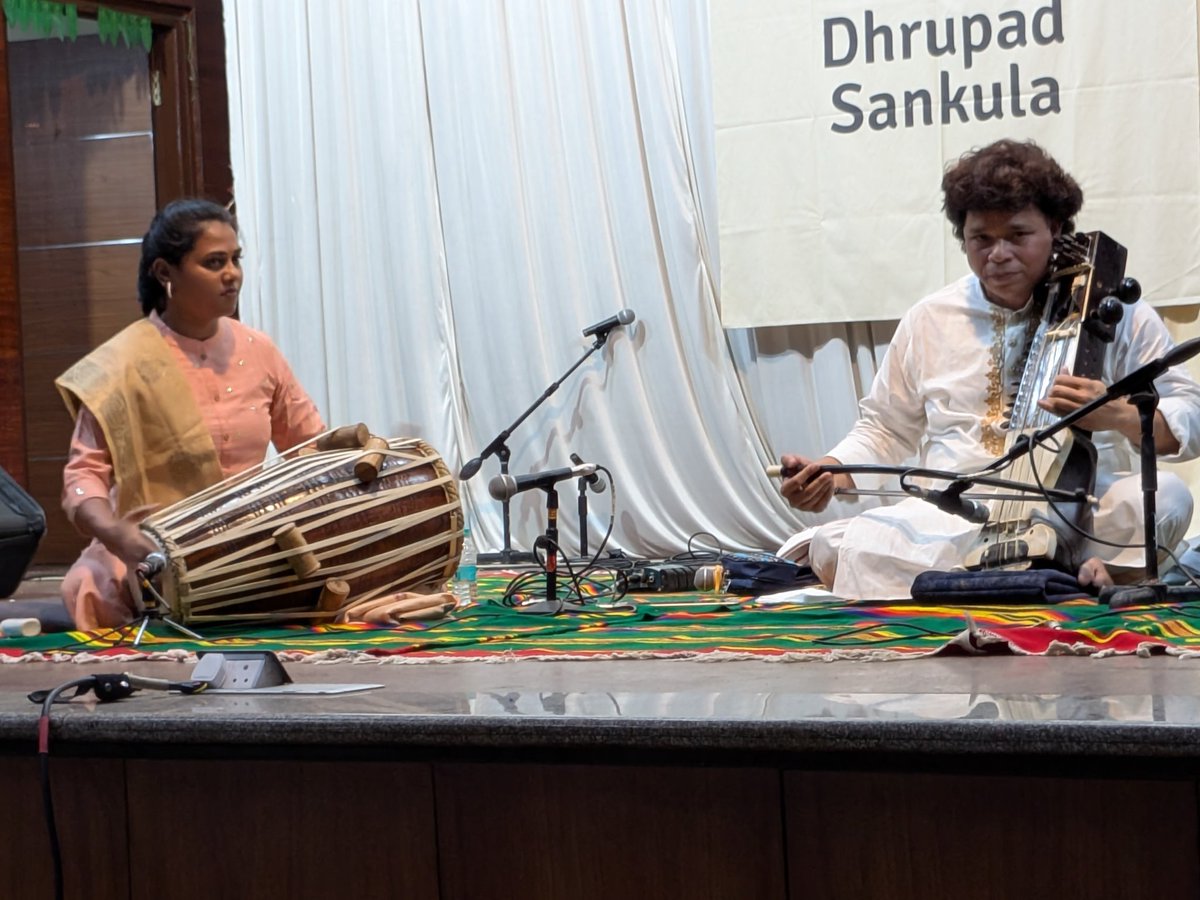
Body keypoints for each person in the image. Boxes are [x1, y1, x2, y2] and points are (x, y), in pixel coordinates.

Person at [779, 139, 1200, 600]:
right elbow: (884, 428)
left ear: (1056, 229)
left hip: (1078, 504)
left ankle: (991, 579)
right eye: (981, 239)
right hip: (959, 507)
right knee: (834, 545)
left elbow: (1188, 413)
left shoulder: (1111, 309)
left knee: (1169, 498)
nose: (998, 254)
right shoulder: (930, 318)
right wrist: (831, 470)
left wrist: (1117, 415)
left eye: (1018, 236)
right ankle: (1056, 577)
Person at [56, 199, 327, 630]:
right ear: (166, 273)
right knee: (92, 585)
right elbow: (83, 476)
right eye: (214, 262)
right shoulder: (120, 364)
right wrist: (115, 534)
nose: (232, 274)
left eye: (236, 259)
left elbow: (309, 445)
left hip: (246, 536)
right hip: (151, 544)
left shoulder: (260, 351)